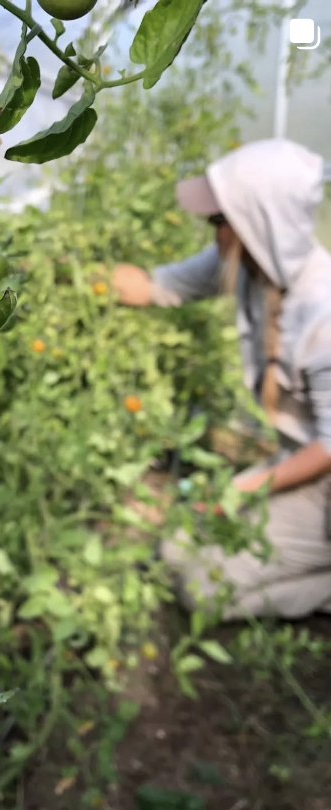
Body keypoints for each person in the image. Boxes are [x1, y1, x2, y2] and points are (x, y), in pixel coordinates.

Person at [112, 138, 331, 620]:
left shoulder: (324, 311)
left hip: (326, 485)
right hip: (295, 462)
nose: (212, 235)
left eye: (219, 221)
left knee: (203, 587)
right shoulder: (249, 262)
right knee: (175, 547)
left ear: (259, 223)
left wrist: (246, 490)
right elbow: (156, 286)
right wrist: (72, 270)